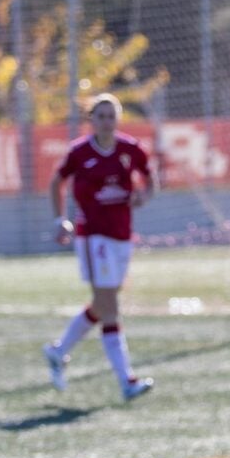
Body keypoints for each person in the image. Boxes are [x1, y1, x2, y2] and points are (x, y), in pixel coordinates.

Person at [43, 93, 157, 400]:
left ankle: (58, 351)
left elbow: (150, 180)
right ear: (91, 119)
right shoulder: (79, 152)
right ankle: (127, 381)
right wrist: (60, 220)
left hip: (122, 235)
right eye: (101, 116)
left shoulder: (130, 149)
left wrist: (144, 197)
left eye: (111, 116)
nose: (106, 122)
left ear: (118, 119)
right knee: (110, 307)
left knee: (102, 303)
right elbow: (56, 182)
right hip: (94, 237)